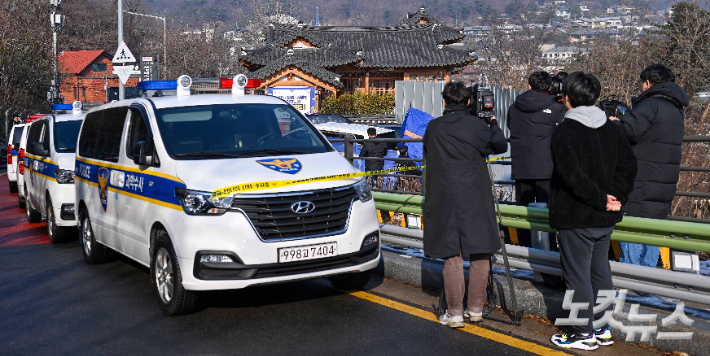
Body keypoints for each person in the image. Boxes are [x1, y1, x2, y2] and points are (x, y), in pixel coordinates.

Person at [549, 72, 637, 350]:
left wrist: (600, 199)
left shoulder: (565, 130)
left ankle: (581, 332)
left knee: (576, 276)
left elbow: (571, 175)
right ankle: (602, 327)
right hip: (605, 217)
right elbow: (629, 166)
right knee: (600, 273)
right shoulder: (612, 128)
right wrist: (616, 197)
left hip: (577, 216)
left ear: (568, 98)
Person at [423, 81, 508, 328]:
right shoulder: (478, 126)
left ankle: (455, 312)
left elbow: (429, 153)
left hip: (445, 196)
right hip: (475, 195)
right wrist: (492, 122)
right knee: (480, 254)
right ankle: (476, 310)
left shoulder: (434, 127)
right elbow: (500, 145)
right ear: (469, 102)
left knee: (453, 255)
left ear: (444, 101)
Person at [610, 64, 689, 267]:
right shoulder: (676, 108)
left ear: (647, 83)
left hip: (641, 177)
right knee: (652, 226)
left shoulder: (650, 104)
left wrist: (614, 122)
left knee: (632, 223)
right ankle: (647, 276)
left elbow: (630, 132)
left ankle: (633, 275)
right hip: (664, 178)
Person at [508, 71, 565, 248]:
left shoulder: (514, 107)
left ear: (529, 85)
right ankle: (548, 252)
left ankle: (525, 250)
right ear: (549, 87)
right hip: (547, 169)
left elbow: (511, 125)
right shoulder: (557, 108)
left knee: (522, 213)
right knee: (548, 214)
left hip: (520, 167)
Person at [360, 127, 390, 222]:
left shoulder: (367, 144)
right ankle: (385, 216)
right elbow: (385, 153)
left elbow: (362, 156)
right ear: (376, 134)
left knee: (368, 191)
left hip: (369, 170)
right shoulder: (383, 142)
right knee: (380, 190)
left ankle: (369, 217)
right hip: (379, 169)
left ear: (368, 135)